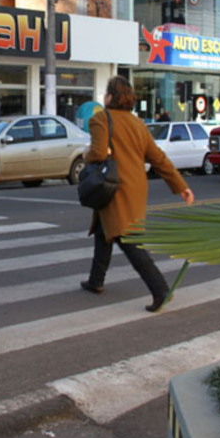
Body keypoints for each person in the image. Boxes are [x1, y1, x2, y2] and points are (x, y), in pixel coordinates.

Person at [81, 76, 194, 312]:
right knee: (104, 231)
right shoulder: (138, 123)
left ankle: (160, 289)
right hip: (134, 187)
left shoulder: (100, 119)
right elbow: (157, 157)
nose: (104, 97)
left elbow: (99, 153)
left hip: (114, 187)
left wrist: (86, 155)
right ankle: (95, 281)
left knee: (127, 239)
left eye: (106, 93)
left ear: (111, 96)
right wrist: (181, 185)